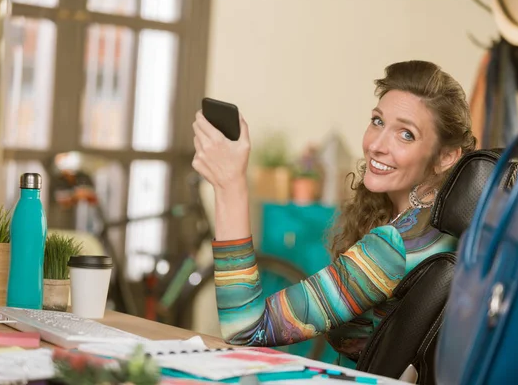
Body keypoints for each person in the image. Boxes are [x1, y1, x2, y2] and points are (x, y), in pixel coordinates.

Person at [191, 60, 477, 367]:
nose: (377, 145)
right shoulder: (449, 227)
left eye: (406, 134)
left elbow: (246, 329)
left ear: (446, 156)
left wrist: (229, 185)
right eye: (378, 121)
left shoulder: (394, 246)